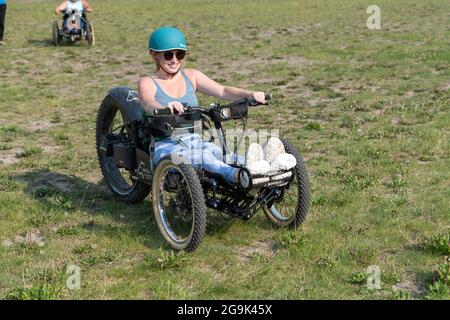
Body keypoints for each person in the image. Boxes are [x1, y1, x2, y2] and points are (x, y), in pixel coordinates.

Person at [138, 27, 267, 185]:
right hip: (166, 145)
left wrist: (250, 94)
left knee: (219, 154)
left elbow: (222, 90)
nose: (174, 60)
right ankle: (237, 175)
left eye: (179, 54)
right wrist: (164, 106)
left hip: (196, 141)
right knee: (205, 158)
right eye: (168, 55)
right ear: (154, 54)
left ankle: (264, 165)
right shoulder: (148, 82)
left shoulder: (191, 76)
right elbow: (147, 102)